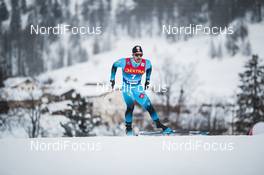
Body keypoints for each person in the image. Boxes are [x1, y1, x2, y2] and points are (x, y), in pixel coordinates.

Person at [110, 45, 173, 135]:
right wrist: (112, 79)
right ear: (133, 55)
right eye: (136, 55)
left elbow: (149, 68)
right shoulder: (125, 62)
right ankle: (128, 129)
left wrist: (147, 80)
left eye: (140, 55)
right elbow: (114, 65)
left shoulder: (146, 63)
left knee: (149, 105)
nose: (139, 57)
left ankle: (159, 125)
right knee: (130, 106)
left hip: (137, 88)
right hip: (127, 87)